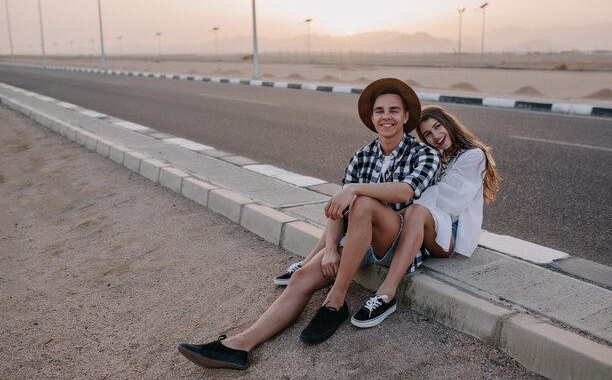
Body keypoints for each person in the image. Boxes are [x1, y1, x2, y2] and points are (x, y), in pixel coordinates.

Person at [177, 78, 439, 370]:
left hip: (397, 240)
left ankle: (335, 300)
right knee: (301, 278)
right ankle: (238, 345)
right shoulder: (362, 156)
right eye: (379, 111)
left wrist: (355, 190)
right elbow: (338, 212)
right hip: (357, 241)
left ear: (405, 117)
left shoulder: (423, 153)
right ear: (372, 118)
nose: (386, 117)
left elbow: (407, 190)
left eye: (393, 110)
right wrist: (328, 249)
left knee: (363, 202)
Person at [276, 105, 501, 328]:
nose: (436, 136)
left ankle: (386, 292)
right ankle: (306, 263)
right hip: (428, 222)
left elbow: (447, 200)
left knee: (413, 210)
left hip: (449, 234)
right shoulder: (435, 155)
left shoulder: (474, 155)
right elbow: (422, 190)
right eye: (428, 134)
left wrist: (396, 201)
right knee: (353, 207)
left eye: (438, 127)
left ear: (449, 125)